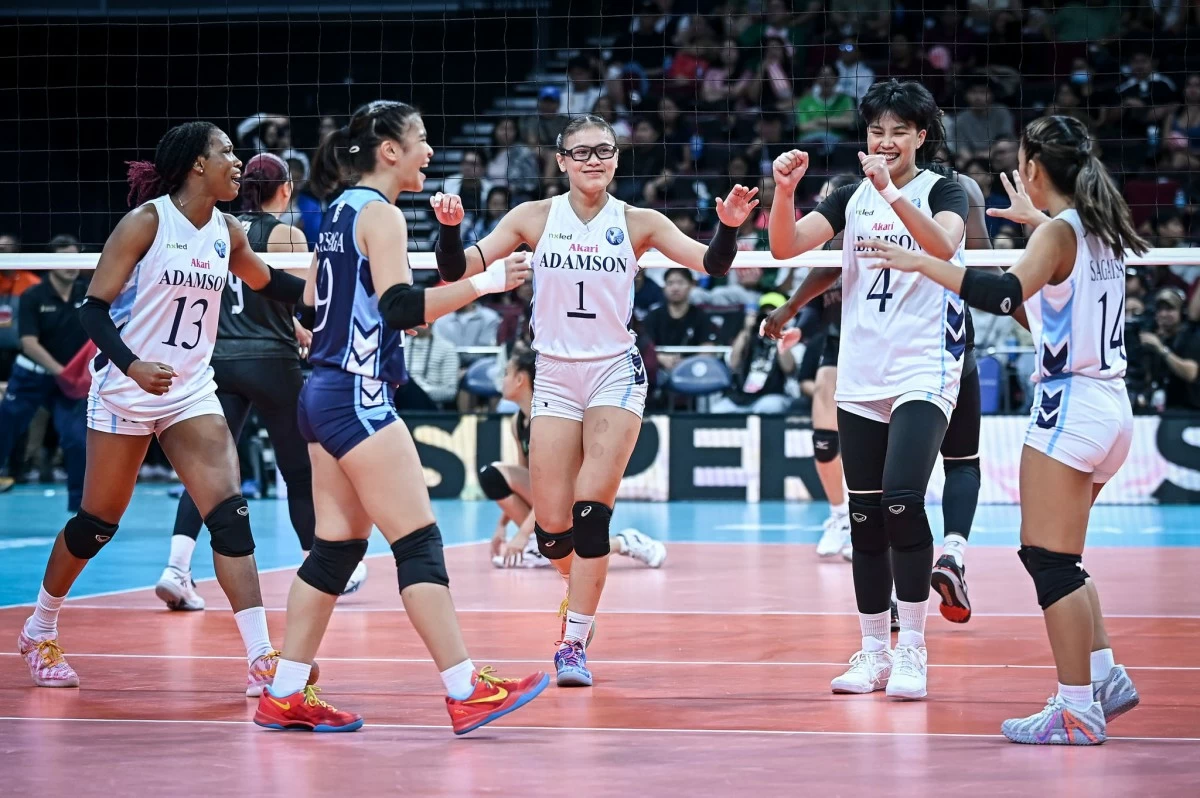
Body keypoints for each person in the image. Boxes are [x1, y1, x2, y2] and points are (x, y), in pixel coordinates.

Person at [431, 113, 758, 687]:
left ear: (616, 158)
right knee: (551, 531)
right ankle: (582, 590)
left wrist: (728, 227)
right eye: (580, 152)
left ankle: (573, 642)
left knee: (590, 512)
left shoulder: (640, 221)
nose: (593, 160)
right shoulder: (533, 217)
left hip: (614, 372)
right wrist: (451, 229)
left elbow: (711, 262)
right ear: (561, 161)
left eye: (603, 150)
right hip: (555, 374)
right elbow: (456, 268)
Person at [253, 100, 546, 735]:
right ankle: (465, 688)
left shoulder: (337, 209)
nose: (430, 151)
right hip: (357, 395)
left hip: (321, 391)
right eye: (421, 139)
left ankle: (285, 691)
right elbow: (400, 307)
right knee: (417, 541)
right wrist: (487, 282)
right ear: (390, 150)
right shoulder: (380, 214)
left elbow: (313, 303)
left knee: (335, 551)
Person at [860, 114, 1146, 745]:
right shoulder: (1098, 226)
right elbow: (1046, 300)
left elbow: (1001, 294)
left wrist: (922, 262)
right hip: (1111, 407)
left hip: (1070, 407)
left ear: (1035, 168)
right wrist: (1035, 222)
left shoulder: (1061, 233)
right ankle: (1104, 677)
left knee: (1049, 560)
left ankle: (1075, 710)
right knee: (1064, 557)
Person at [17, 121, 311, 698]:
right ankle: (39, 628)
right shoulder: (147, 222)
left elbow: (268, 282)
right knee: (97, 524)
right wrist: (132, 365)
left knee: (230, 514)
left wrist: (339, 291)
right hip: (126, 389)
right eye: (226, 152)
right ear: (197, 164)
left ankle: (261, 658)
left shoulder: (228, 230)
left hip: (190, 389)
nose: (237, 162)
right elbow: (93, 309)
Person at [763, 81, 969, 700]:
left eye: (899, 131)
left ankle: (913, 651)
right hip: (861, 371)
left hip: (923, 369)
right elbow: (784, 246)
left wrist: (890, 192)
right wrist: (784, 191)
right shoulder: (849, 195)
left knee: (903, 500)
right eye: (877, 131)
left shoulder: (943, 189)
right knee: (864, 517)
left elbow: (943, 245)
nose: (886, 141)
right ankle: (874, 651)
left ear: (920, 136)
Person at [156, 153, 366, 612]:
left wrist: (291, 326)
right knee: (298, 471)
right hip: (271, 362)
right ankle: (322, 567)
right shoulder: (286, 234)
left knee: (205, 472)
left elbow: (244, 295)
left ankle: (176, 568)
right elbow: (307, 297)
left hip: (220, 361)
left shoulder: (218, 227)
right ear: (285, 190)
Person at [483, 347, 666, 573]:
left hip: (582, 497)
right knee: (492, 476)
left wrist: (520, 535)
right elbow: (531, 483)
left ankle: (626, 542)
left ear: (520, 379)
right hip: (551, 495)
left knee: (578, 545)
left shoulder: (555, 420)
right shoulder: (517, 422)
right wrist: (501, 526)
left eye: (506, 374)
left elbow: (555, 486)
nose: (501, 380)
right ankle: (538, 546)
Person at [0, 265, 89, 507]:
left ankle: (80, 506)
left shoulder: (87, 292)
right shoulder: (33, 295)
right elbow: (28, 343)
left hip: (69, 383)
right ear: (51, 262)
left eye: (75, 260)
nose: (71, 267)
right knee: (5, 429)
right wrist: (63, 372)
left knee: (77, 440)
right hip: (31, 377)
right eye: (65, 260)